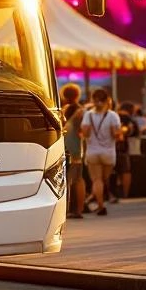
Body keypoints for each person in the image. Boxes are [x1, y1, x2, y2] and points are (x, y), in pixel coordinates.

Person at [80, 88, 122, 216]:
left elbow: (85, 134)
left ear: (92, 100)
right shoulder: (113, 115)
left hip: (92, 152)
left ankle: (100, 205)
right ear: (107, 100)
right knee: (102, 180)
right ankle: (96, 201)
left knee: (97, 180)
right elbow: (116, 135)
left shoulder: (88, 115)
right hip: (108, 153)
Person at [60, 83, 86, 218]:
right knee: (78, 179)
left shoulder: (63, 110)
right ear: (78, 95)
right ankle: (79, 209)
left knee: (67, 180)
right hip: (76, 148)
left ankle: (69, 208)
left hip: (63, 147)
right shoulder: (80, 111)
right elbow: (83, 131)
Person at [115, 101, 139, 201]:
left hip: (110, 148)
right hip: (124, 149)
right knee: (125, 171)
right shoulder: (130, 119)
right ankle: (125, 194)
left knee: (111, 172)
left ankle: (110, 193)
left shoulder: (114, 116)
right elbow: (136, 133)